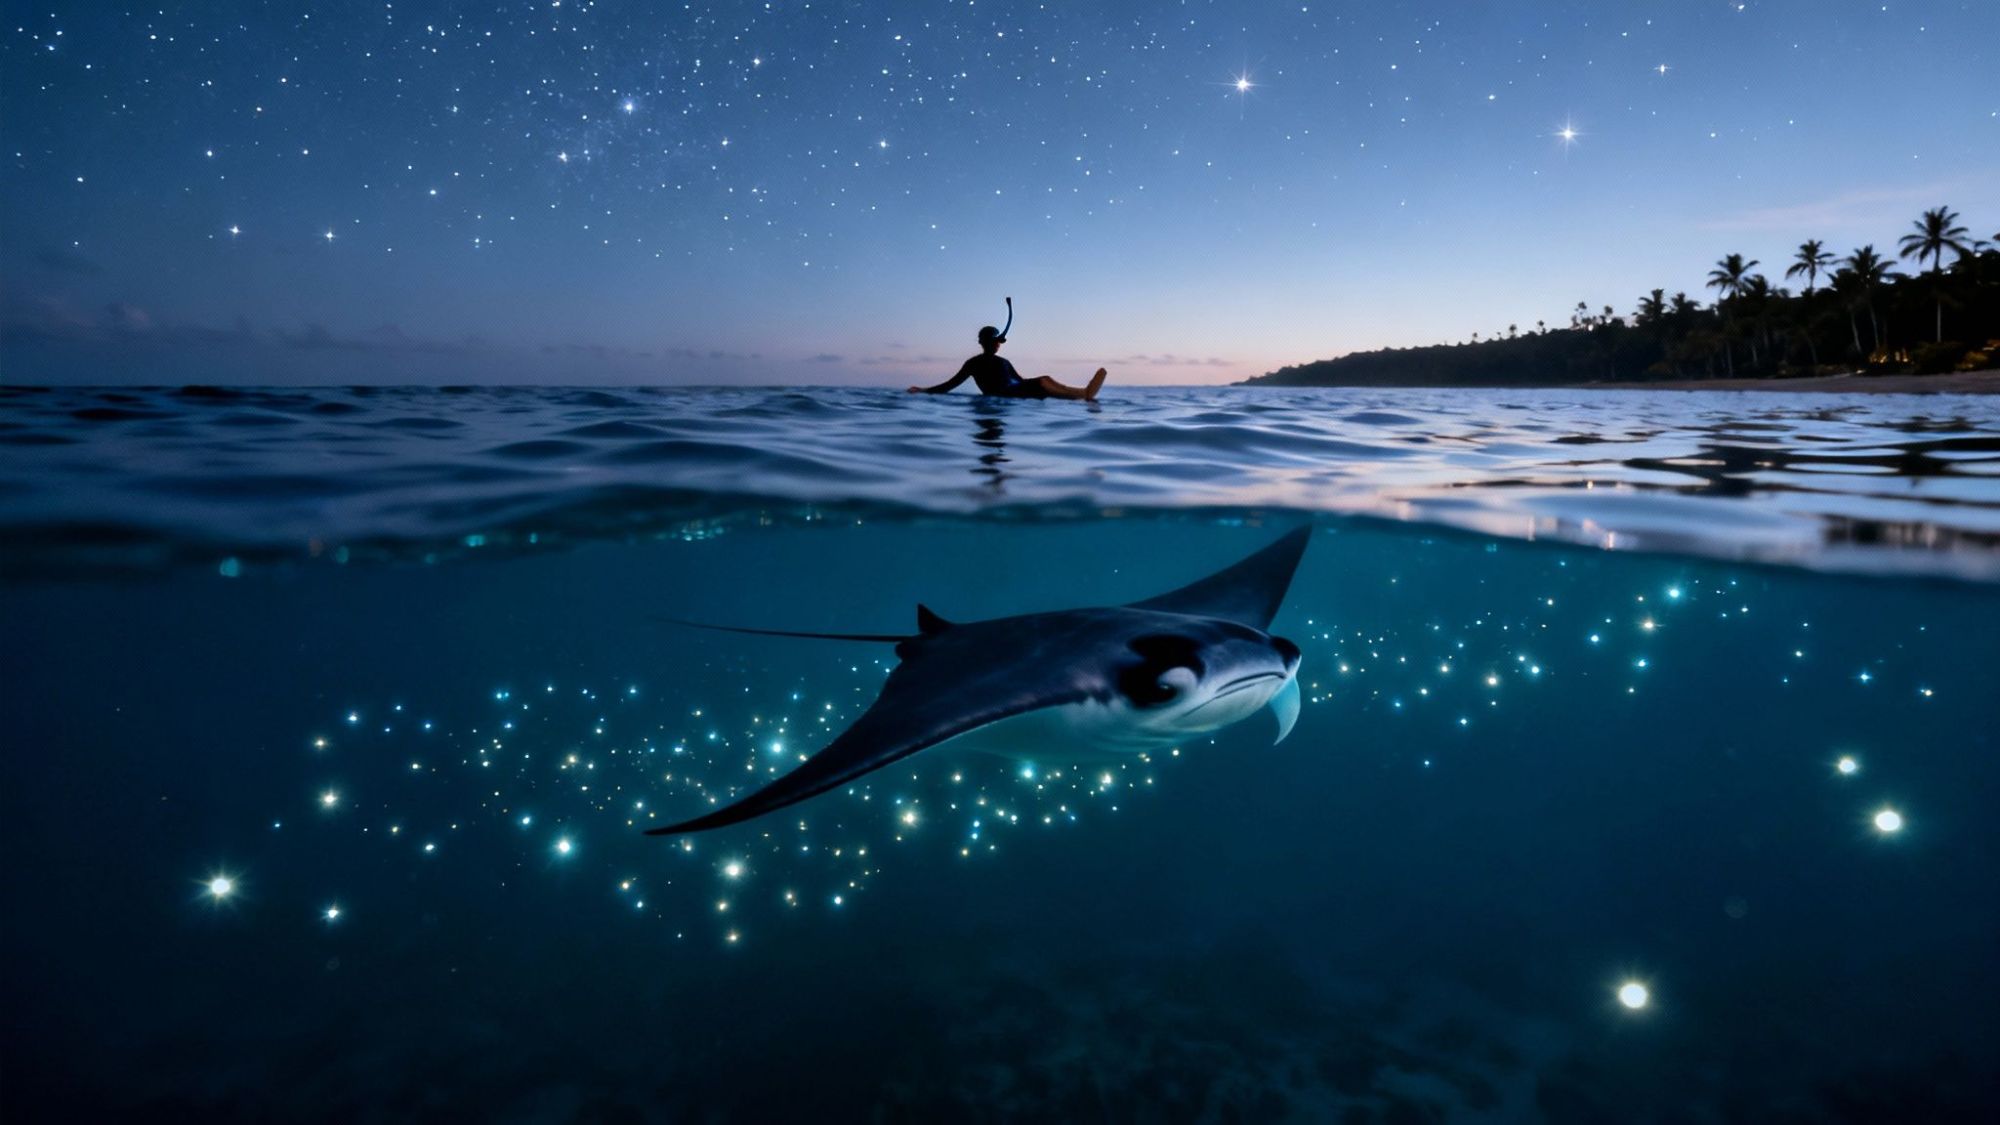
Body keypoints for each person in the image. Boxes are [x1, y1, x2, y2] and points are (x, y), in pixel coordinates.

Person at [908, 324, 1107, 400]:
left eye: (997, 342)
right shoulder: (974, 363)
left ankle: (1082, 392)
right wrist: (924, 390)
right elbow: (951, 384)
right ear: (984, 343)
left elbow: (1020, 380)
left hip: (1015, 392)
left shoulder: (1004, 362)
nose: (996, 345)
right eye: (993, 341)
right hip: (1003, 395)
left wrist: (1034, 386)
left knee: (1044, 380)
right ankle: (1083, 394)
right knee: (1042, 382)